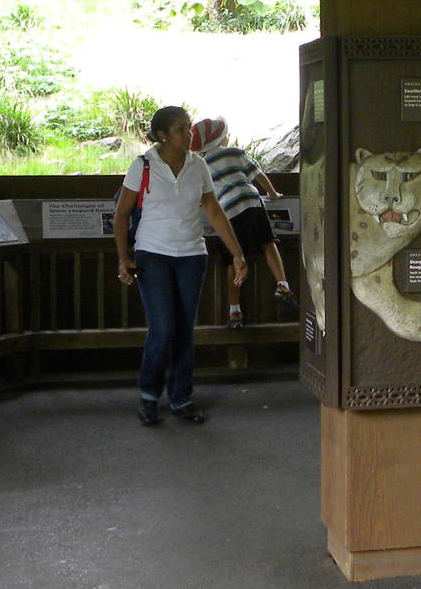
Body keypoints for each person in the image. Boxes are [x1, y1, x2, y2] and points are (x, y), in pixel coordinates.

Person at [113, 107, 248, 426]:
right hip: (153, 254)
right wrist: (123, 257)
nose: (189, 134)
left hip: (192, 254)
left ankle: (181, 398)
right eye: (181, 129)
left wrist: (237, 253)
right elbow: (121, 214)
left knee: (185, 330)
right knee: (162, 329)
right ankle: (149, 397)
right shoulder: (143, 165)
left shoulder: (198, 164)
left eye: (188, 128)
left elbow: (213, 210)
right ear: (162, 135)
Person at [191, 116, 294, 328]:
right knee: (268, 243)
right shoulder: (234, 152)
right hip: (250, 203)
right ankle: (282, 285)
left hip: (227, 213)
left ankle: (234, 311)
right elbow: (258, 174)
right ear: (221, 139)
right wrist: (272, 193)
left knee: (233, 261)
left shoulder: (200, 165)